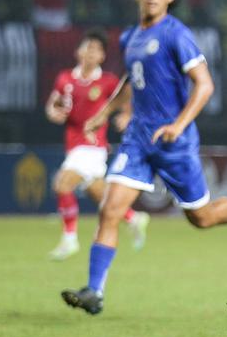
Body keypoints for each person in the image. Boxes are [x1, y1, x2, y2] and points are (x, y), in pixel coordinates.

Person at [61, 0, 227, 315]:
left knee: (201, 218)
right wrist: (108, 111)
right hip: (139, 140)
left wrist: (178, 124)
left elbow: (204, 85)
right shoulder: (130, 37)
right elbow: (133, 79)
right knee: (111, 209)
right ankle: (94, 292)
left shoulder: (177, 35)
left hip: (176, 143)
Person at [45, 30, 150, 260]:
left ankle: (70, 239)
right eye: (87, 47)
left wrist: (127, 114)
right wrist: (53, 112)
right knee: (100, 196)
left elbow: (128, 95)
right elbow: (53, 103)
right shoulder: (65, 78)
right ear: (78, 51)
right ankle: (133, 218)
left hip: (92, 145)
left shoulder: (107, 81)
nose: (90, 53)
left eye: (96, 50)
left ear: (102, 56)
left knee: (62, 184)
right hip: (73, 144)